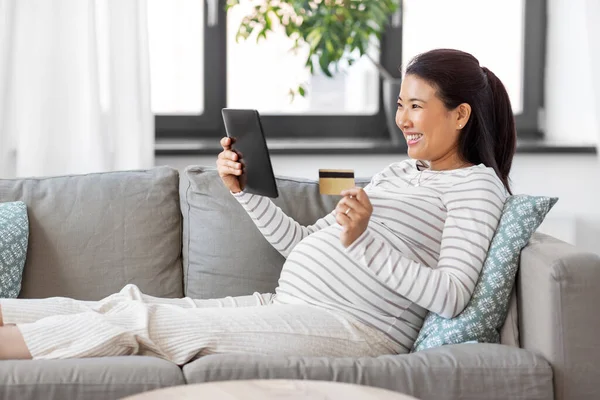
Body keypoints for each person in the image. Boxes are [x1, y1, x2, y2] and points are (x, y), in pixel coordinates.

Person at [0, 48, 515, 363]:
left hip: (356, 328)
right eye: (400, 104)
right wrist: (244, 194)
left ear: (461, 114)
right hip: (290, 306)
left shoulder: (477, 188)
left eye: (416, 106)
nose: (402, 118)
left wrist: (363, 242)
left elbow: (450, 296)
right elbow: (300, 244)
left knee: (142, 323)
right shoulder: (400, 173)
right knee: (125, 302)